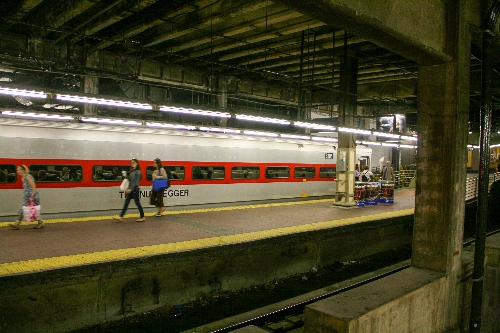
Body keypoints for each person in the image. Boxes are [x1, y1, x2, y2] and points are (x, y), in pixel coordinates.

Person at [9, 165, 44, 229]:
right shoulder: (23, 177)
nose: (17, 171)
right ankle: (17, 223)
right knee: (24, 208)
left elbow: (34, 187)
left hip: (32, 196)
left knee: (35, 210)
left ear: (23, 170)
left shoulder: (28, 177)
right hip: (27, 196)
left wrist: (32, 196)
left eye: (18, 170)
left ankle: (40, 223)